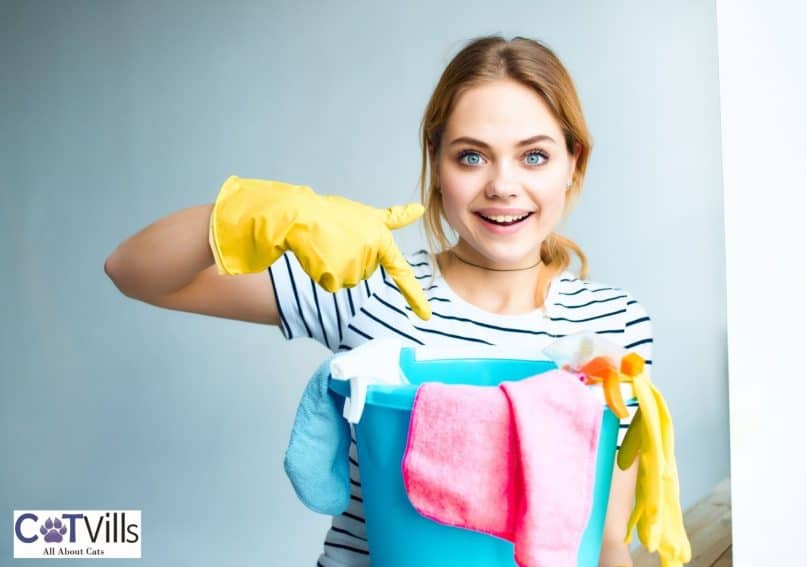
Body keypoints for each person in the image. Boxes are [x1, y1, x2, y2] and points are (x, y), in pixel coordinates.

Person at [105, 34, 649, 567]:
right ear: (436, 164)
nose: (503, 186)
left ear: (573, 162)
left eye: (533, 156)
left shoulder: (614, 329)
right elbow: (134, 272)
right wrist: (268, 209)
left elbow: (605, 542)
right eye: (471, 157)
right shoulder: (370, 289)